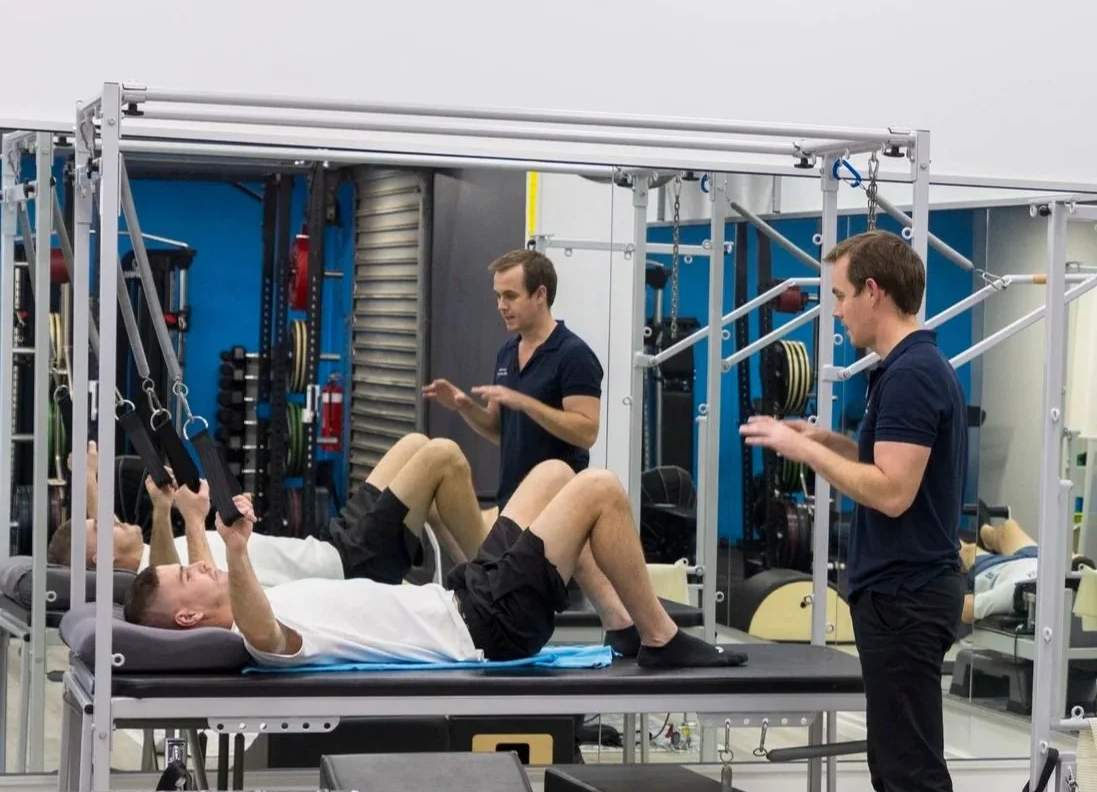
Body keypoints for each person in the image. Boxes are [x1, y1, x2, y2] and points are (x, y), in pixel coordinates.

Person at [740, 230, 966, 792]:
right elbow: (881, 464)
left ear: (874, 291)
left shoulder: (911, 374)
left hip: (907, 594)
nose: (833, 312)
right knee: (890, 765)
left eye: (838, 295)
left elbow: (892, 491)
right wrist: (826, 435)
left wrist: (808, 455)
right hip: (892, 591)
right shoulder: (898, 371)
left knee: (913, 770)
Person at [122, 460, 741, 673]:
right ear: (186, 614)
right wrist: (232, 550)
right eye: (186, 576)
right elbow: (256, 623)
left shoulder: (225, 599)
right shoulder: (260, 638)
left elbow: (210, 577)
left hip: (459, 598)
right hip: (482, 630)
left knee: (554, 474)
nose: (191, 565)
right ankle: (661, 638)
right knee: (599, 489)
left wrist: (198, 521)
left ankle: (621, 625)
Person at [48, 433, 488, 588]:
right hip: (352, 568)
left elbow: (94, 534)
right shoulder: (157, 569)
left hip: (330, 545)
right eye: (103, 527)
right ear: (100, 560)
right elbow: (153, 570)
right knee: (443, 458)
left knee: (414, 445)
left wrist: (87, 477)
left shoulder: (142, 556)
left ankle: (473, 558)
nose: (117, 520)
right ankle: (496, 577)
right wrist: (172, 513)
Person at [421, 249, 604, 524]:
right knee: (438, 516)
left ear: (540, 295)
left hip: (556, 510)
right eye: (498, 296)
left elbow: (587, 432)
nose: (501, 306)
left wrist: (525, 403)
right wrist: (464, 406)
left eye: (510, 296)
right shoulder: (507, 352)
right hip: (510, 504)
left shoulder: (574, 355)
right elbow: (499, 430)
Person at [959, 519, 1094, 623]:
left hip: (996, 568)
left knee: (967, 550)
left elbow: (968, 609)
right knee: (1009, 526)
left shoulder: (1011, 593)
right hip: (1037, 558)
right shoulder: (1077, 572)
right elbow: (1079, 565)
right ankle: (984, 530)